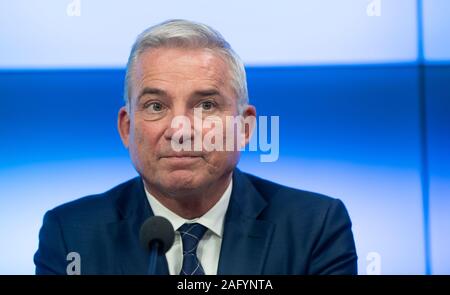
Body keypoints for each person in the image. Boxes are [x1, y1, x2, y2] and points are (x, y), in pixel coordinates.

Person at [34, 19, 357, 275]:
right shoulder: (71, 234)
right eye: (156, 106)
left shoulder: (314, 225)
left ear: (245, 128)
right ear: (127, 128)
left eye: (205, 105)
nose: (180, 129)